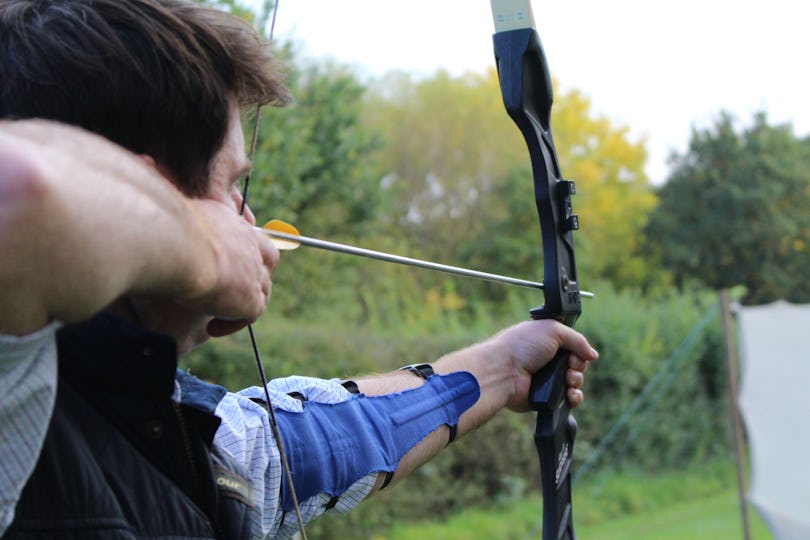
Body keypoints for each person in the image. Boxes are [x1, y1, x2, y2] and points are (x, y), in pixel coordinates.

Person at [0, 1, 599, 538]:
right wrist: (207, 253)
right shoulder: (15, 394)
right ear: (156, 190)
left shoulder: (159, 427)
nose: (249, 220)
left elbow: (320, 445)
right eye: (234, 187)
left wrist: (502, 370)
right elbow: (18, 192)